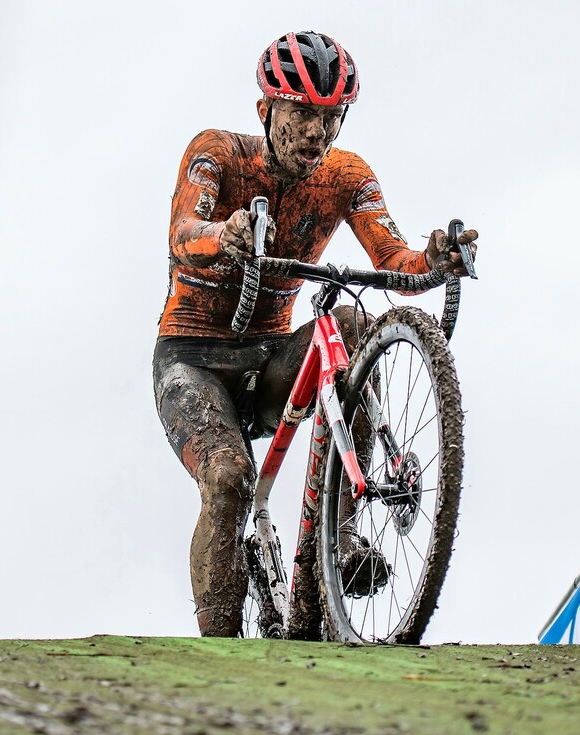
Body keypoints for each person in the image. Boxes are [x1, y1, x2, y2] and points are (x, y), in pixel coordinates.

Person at [152, 31, 478, 637]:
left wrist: (435, 260)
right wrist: (219, 237)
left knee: (352, 323)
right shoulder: (217, 153)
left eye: (330, 118)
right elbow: (183, 231)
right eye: (300, 113)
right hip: (194, 360)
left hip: (274, 354)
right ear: (265, 110)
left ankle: (345, 533)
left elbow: (394, 263)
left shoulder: (347, 176)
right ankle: (220, 652)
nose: (315, 133)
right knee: (227, 478)